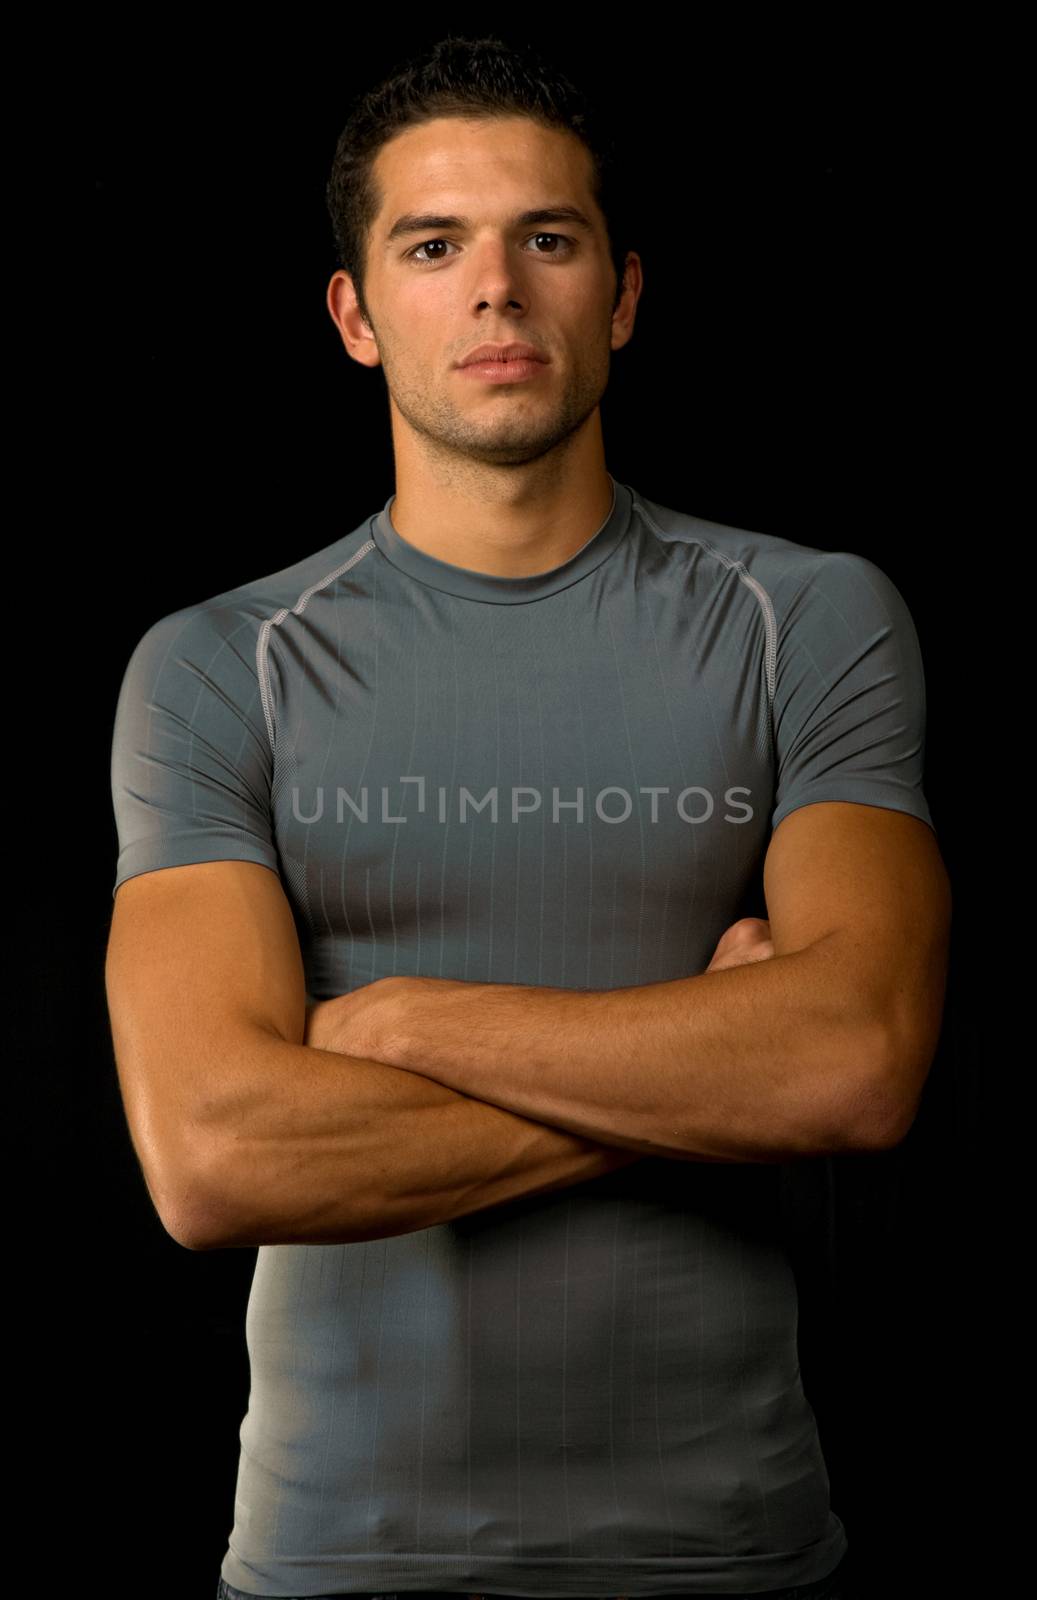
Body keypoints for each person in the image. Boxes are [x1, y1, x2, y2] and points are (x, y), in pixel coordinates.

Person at [105, 33, 951, 1600]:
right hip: (335, 1553)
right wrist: (710, 1049)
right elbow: (216, 1160)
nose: (494, 288)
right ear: (358, 316)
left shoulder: (807, 619)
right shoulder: (223, 666)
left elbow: (853, 1061)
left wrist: (409, 1024)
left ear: (619, 296)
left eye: (544, 240)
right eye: (434, 247)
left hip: (734, 1547)